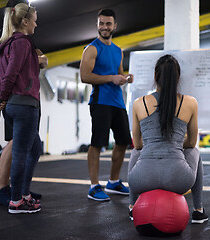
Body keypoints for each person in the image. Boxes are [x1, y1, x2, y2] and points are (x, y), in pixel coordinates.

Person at [128, 54, 208, 224]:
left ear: (155, 75)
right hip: (178, 179)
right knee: (195, 151)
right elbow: (191, 143)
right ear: (178, 77)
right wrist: (177, 143)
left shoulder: (138, 103)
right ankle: (198, 211)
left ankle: (132, 206)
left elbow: (138, 143)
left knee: (137, 151)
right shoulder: (190, 102)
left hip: (141, 179)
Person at [0, 0, 46, 206]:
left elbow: (0, 75)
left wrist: (1, 99)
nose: (36, 24)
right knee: (20, 151)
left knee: (33, 149)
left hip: (15, 103)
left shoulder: (8, 42)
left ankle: (22, 193)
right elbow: (10, 73)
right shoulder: (22, 42)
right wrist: (3, 99)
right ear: (24, 21)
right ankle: (17, 200)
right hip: (23, 104)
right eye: (34, 21)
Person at [80, 9, 133, 201]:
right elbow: (85, 76)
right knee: (97, 143)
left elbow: (118, 73)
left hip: (118, 102)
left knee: (123, 142)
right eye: (101, 23)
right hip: (100, 101)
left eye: (108, 24)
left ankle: (113, 181)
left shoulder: (118, 50)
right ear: (97, 24)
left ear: (114, 26)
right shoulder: (92, 49)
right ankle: (94, 186)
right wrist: (111, 78)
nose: (104, 27)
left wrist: (126, 78)